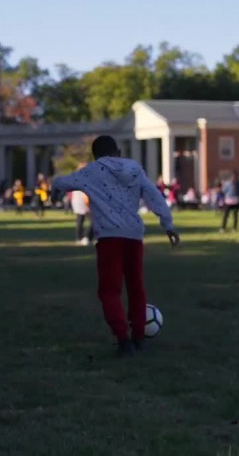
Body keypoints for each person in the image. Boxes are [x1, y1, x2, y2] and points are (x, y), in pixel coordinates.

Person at [53, 135, 179, 357]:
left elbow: (62, 183)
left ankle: (123, 339)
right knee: (136, 287)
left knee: (110, 290)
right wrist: (167, 224)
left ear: (95, 155)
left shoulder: (91, 172)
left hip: (109, 237)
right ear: (118, 152)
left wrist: (54, 187)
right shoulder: (134, 169)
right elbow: (154, 195)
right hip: (134, 236)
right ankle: (140, 337)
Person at [70, 163, 93, 246]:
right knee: (87, 220)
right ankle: (85, 237)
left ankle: (83, 238)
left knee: (81, 220)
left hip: (81, 201)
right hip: (82, 201)